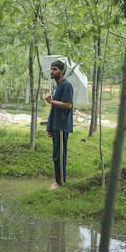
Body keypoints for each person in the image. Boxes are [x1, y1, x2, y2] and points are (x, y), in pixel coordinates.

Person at [45, 60, 73, 190]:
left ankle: (60, 182)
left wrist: (51, 101)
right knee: (56, 155)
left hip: (62, 126)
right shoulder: (57, 86)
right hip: (56, 126)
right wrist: (49, 127)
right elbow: (54, 108)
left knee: (60, 155)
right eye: (51, 69)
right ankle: (58, 180)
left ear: (62, 71)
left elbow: (68, 105)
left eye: (55, 69)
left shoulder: (66, 85)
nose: (52, 71)